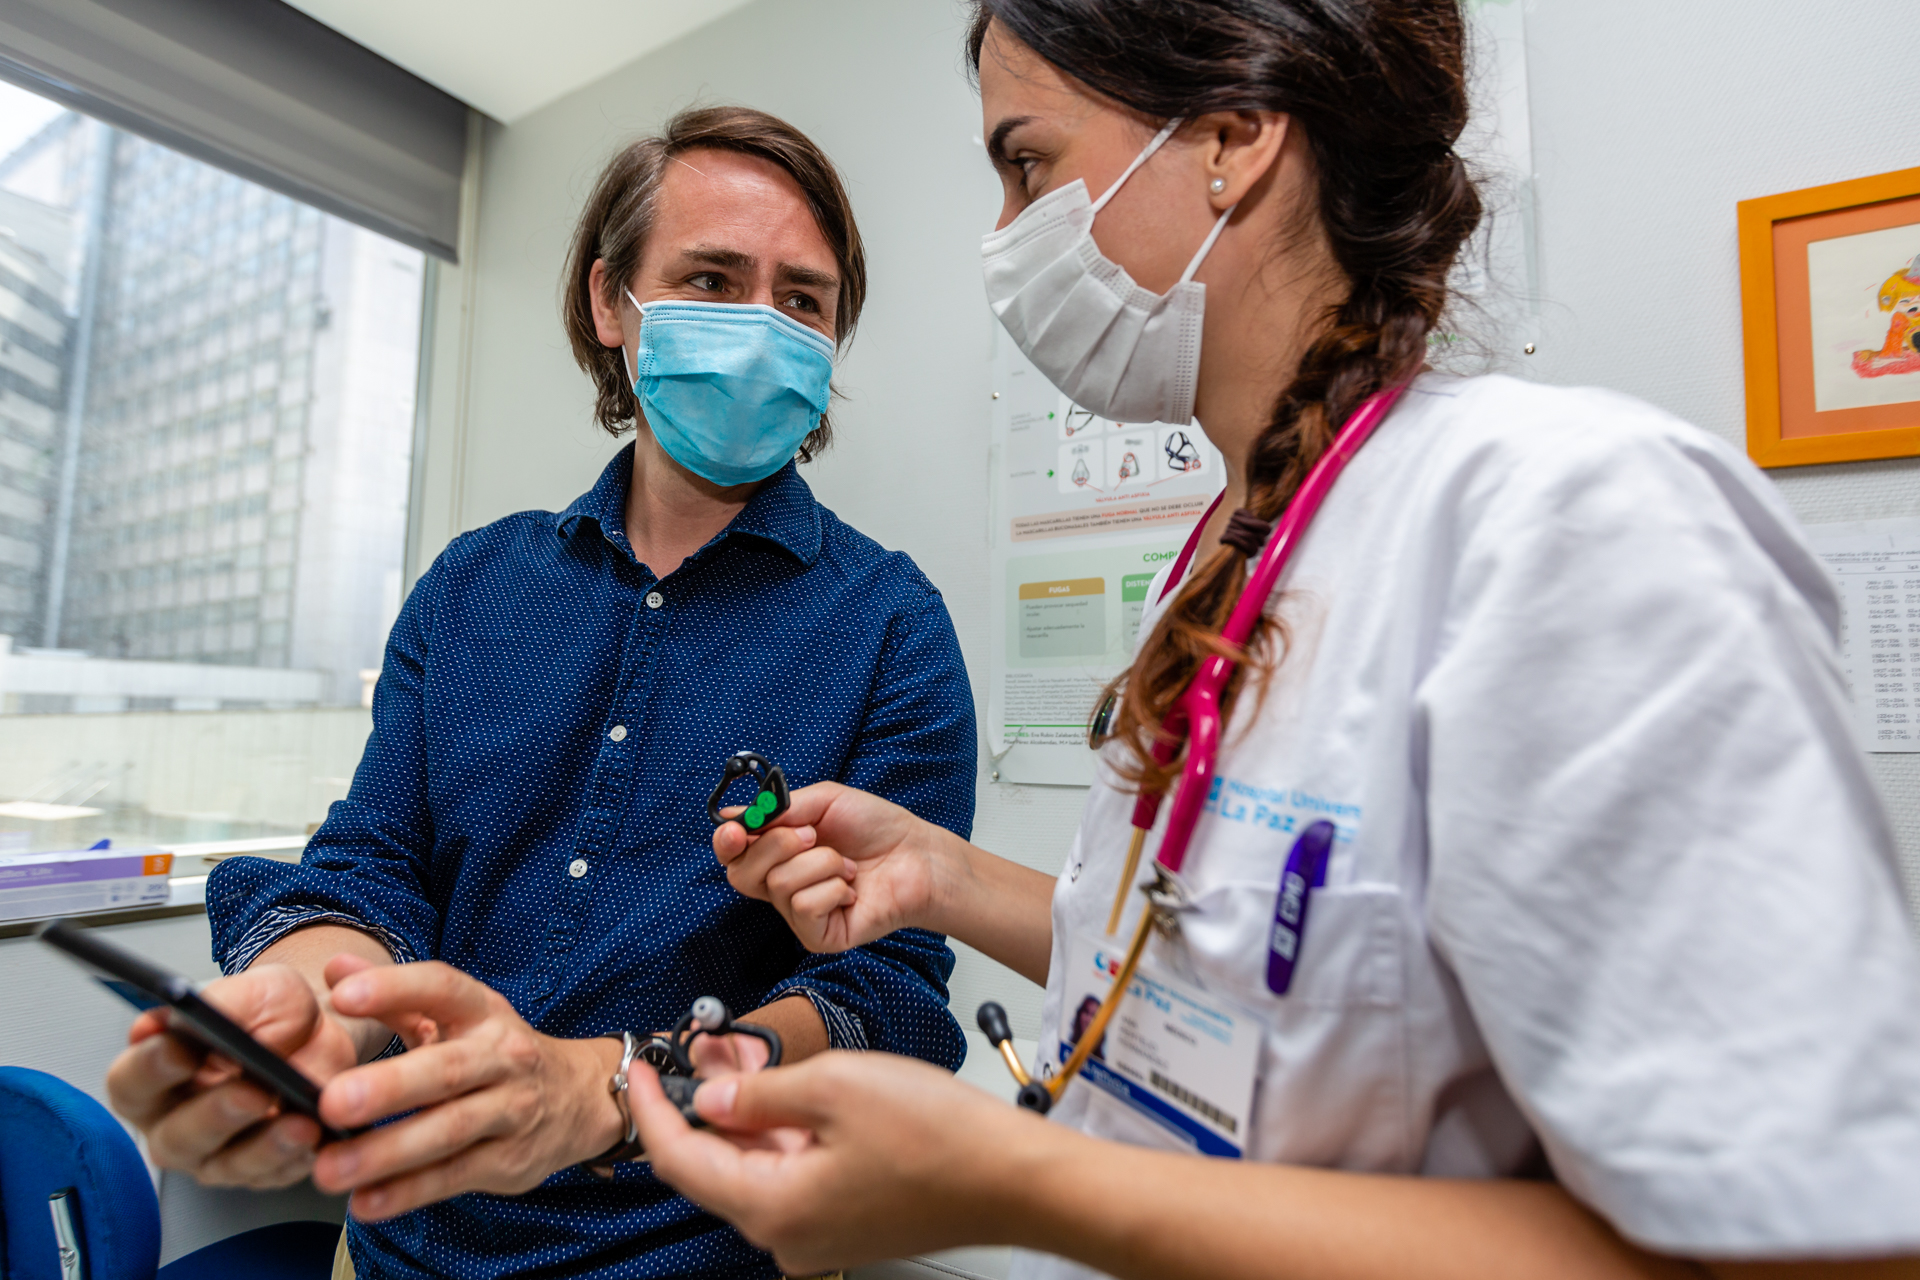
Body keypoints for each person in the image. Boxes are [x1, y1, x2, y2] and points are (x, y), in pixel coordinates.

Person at [620, 4, 1920, 1279]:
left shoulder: (1569, 521)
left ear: (1234, 137)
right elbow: (1219, 954)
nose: (1005, 237)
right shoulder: (1242, 550)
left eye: (1027, 164)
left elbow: (1822, 1249)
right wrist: (942, 879)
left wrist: (1018, 1181)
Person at [104, 106, 978, 1280]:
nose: (758, 327)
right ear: (612, 302)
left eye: (801, 300)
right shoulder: (473, 584)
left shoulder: (892, 627)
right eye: (712, 279)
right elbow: (371, 860)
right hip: (408, 1236)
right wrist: (312, 1002)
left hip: (699, 1251)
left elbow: (888, 994)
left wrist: (628, 1082)